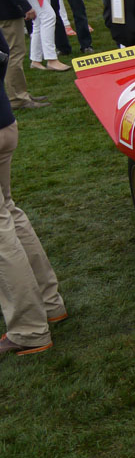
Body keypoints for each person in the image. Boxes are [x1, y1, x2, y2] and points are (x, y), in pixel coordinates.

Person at [0, 40, 66, 356]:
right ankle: (50, 304)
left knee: (2, 225)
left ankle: (29, 329)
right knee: (8, 210)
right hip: (4, 123)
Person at [0, 0, 47, 109]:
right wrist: (24, 5)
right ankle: (17, 97)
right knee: (14, 53)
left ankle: (19, 93)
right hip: (6, 10)